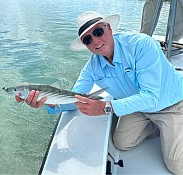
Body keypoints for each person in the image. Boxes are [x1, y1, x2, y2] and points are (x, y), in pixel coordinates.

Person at [15, 11, 183, 174]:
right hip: (138, 107)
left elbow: (152, 97)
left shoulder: (141, 45)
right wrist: (48, 100)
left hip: (170, 103)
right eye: (88, 39)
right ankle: (160, 129)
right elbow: (75, 97)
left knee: (176, 166)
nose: (95, 40)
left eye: (98, 32)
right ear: (86, 45)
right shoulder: (92, 67)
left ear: (108, 28)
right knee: (122, 143)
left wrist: (106, 108)